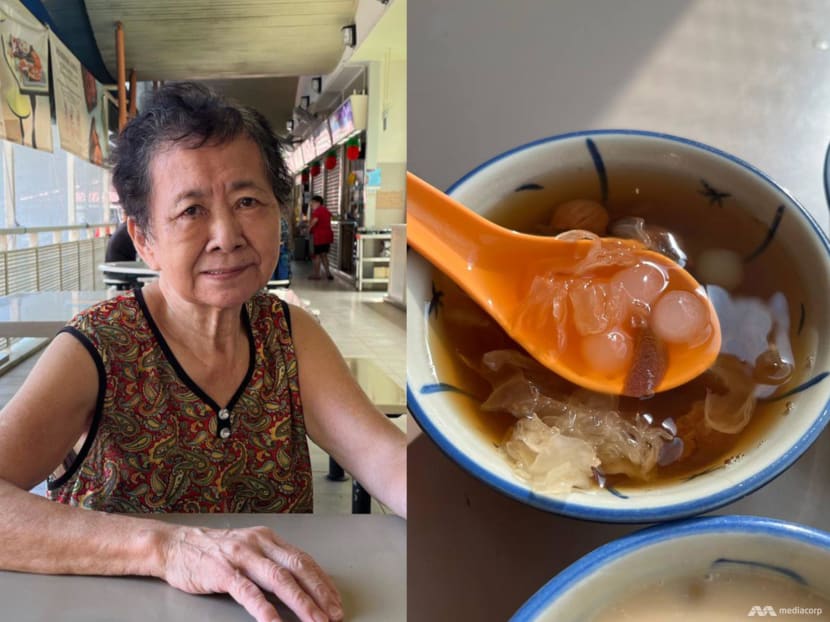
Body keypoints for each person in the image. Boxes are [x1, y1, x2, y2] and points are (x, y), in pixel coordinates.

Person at [0, 82, 406, 622]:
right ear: (144, 238)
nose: (227, 234)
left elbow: (389, 461)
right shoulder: (95, 348)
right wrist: (164, 548)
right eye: (191, 210)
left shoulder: (289, 335)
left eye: (247, 201)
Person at [308, 195, 334, 280]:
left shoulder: (318, 211)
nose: (311, 204)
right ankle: (328, 273)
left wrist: (308, 229)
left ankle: (316, 274)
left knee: (317, 256)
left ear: (318, 203)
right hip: (327, 236)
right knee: (324, 255)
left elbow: (315, 221)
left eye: (313, 202)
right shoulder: (326, 210)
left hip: (319, 237)